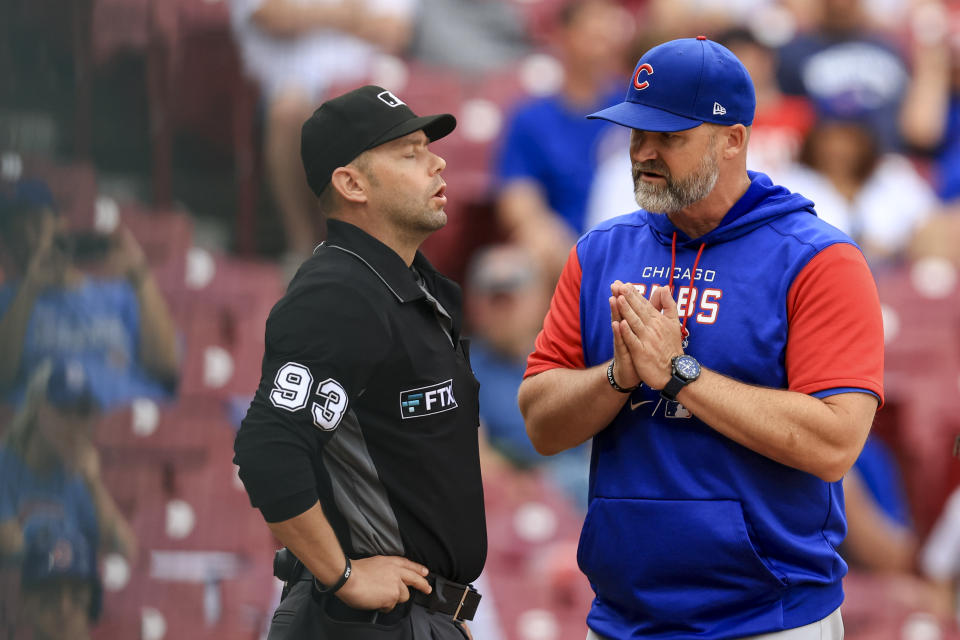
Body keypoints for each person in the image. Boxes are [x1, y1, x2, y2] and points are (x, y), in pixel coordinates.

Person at [518, 36, 884, 639]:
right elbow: (540, 423)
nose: (645, 154)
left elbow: (835, 442)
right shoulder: (601, 252)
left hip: (769, 618)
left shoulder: (819, 260)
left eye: (670, 138)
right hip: (623, 618)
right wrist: (619, 376)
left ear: (733, 139)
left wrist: (679, 373)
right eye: (638, 134)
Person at [233, 85, 485, 639]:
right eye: (410, 152)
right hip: (361, 624)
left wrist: (447, 612)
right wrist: (343, 575)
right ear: (351, 184)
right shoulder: (339, 292)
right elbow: (268, 447)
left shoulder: (419, 289)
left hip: (415, 619)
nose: (438, 161)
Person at [229, 0, 417, 265]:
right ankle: (303, 249)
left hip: (369, 81)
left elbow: (393, 31)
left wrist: (309, 16)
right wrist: (345, 14)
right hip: (293, 83)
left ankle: (363, 253)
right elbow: (270, 16)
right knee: (288, 112)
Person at [0, 179, 180, 410]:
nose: (28, 237)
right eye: (14, 230)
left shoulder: (118, 294)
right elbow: (3, 376)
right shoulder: (9, 302)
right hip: (57, 425)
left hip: (129, 414)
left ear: (61, 225)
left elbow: (165, 367)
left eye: (35, 223)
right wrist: (30, 287)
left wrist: (140, 275)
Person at [493, 0, 630, 280]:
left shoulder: (637, 110)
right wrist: (550, 237)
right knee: (526, 249)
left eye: (606, 31)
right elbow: (517, 201)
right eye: (590, 31)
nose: (600, 41)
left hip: (632, 236)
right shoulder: (531, 118)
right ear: (563, 37)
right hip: (564, 246)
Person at [0, 361, 137, 638]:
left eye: (83, 414)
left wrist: (94, 485)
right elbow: (8, 545)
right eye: (64, 412)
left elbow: (124, 548)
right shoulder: (5, 468)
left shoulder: (76, 478)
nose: (75, 425)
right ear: (39, 410)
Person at [464, 244, 589, 509]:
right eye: (492, 298)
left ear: (541, 297)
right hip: (511, 497)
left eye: (510, 297)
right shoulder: (458, 366)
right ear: (473, 304)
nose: (502, 310)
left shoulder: (574, 358)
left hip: (580, 484)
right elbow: (474, 455)